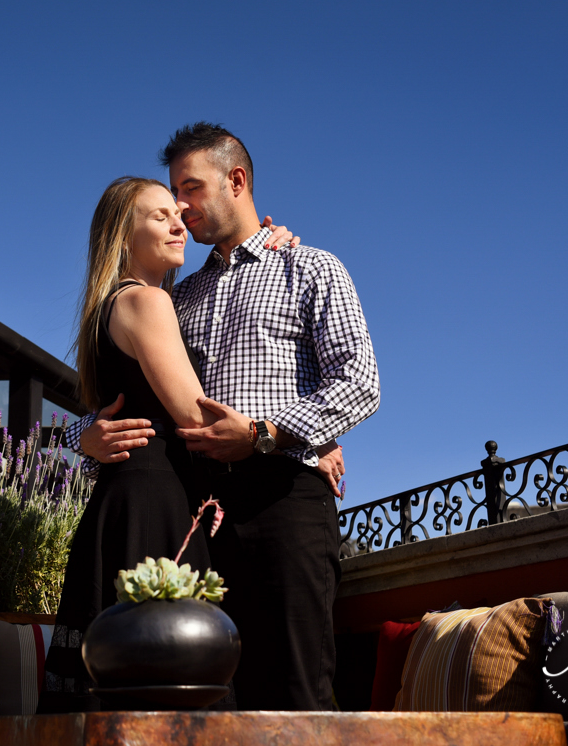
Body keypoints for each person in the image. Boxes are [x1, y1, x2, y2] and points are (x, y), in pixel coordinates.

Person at [69, 123, 380, 712]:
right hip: (199, 517)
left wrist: (271, 433)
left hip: (284, 503)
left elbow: (359, 383)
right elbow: (126, 395)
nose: (181, 208)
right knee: (209, 699)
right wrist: (79, 438)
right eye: (170, 196)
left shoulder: (310, 267)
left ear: (236, 180)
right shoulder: (176, 297)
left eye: (190, 188)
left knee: (294, 691)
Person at [42, 176, 296, 710]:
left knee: (118, 680)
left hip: (123, 500)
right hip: (155, 502)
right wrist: (298, 437)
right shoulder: (148, 303)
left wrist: (80, 438)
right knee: (171, 682)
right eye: (160, 215)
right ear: (122, 234)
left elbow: (112, 409)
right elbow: (194, 417)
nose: (178, 223)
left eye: (178, 213)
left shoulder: (110, 308)